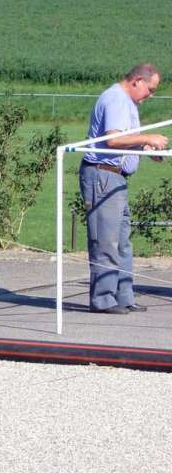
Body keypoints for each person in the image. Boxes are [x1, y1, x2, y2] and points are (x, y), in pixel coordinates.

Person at [80, 64, 167, 314]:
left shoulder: (128, 102)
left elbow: (124, 143)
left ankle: (124, 296)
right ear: (138, 80)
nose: (150, 95)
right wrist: (148, 138)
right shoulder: (116, 99)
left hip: (116, 178)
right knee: (105, 240)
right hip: (103, 176)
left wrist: (143, 150)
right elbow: (113, 140)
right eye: (150, 90)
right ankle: (103, 299)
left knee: (122, 242)